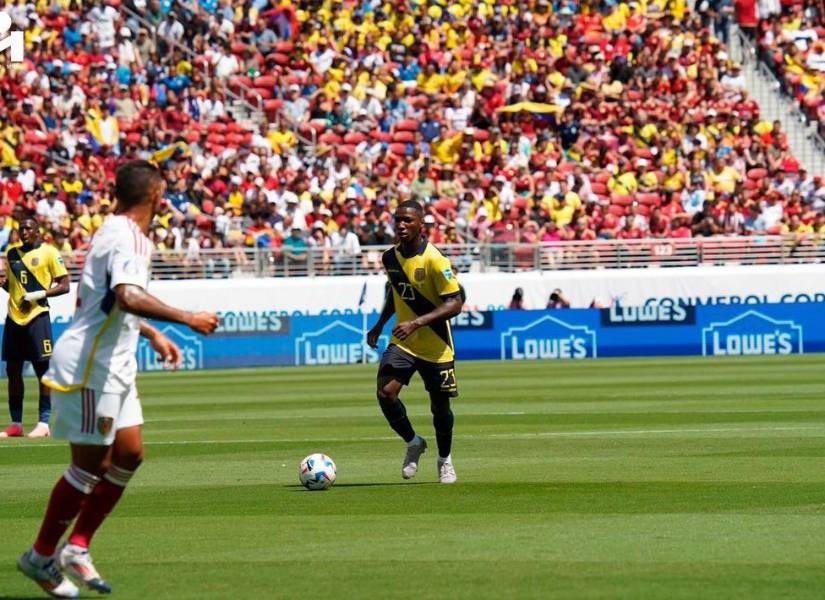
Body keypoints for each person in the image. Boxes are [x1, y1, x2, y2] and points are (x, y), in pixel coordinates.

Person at [16, 160, 219, 598]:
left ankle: (78, 546)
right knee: (89, 466)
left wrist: (151, 332)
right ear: (155, 195)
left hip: (118, 364)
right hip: (94, 367)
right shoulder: (127, 236)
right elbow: (126, 295)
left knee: (129, 454)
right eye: (163, 191)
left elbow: (101, 299)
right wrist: (186, 318)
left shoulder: (117, 232)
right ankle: (40, 554)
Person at [367, 200, 464, 484]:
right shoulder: (389, 258)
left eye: (408, 220)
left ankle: (445, 459)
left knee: (440, 408)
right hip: (404, 343)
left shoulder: (436, 259)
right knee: (385, 392)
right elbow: (397, 293)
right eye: (398, 219)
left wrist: (417, 322)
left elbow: (455, 303)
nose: (401, 224)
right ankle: (412, 441)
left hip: (436, 345)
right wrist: (379, 325)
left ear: (422, 225)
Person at [0, 217, 70, 439]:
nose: (23, 232)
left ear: (38, 231)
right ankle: (16, 423)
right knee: (13, 371)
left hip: (37, 316)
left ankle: (43, 422)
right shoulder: (12, 253)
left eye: (28, 228)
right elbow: (13, 288)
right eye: (21, 228)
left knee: (43, 371)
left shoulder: (49, 252)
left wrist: (40, 294)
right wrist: (2, 284)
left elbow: (65, 285)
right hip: (14, 318)